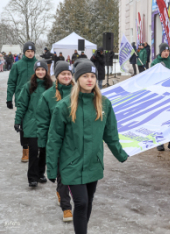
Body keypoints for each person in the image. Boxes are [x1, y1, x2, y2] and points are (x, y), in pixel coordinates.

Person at [46, 59, 128, 234]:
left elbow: (110, 135)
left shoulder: (104, 104)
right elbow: (54, 140)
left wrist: (121, 154)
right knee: (81, 202)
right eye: (85, 76)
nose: (89, 80)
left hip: (93, 162)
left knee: (88, 202)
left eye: (92, 76)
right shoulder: (64, 106)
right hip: (71, 164)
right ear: (77, 79)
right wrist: (52, 169)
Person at [36, 61, 74, 222]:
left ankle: (67, 195)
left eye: (69, 73)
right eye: (63, 74)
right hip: (57, 142)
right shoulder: (47, 96)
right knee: (62, 175)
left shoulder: (79, 93)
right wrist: (43, 144)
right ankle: (66, 207)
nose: (66, 76)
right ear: (57, 76)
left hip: (76, 141)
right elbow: (43, 122)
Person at [14, 60, 53, 187]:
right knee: (34, 150)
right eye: (38, 70)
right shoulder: (28, 86)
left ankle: (41, 173)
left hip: (46, 124)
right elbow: (22, 105)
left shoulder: (51, 86)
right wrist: (18, 120)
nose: (40, 72)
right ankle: (32, 177)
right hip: (31, 122)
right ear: (35, 71)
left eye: (42, 70)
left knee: (44, 150)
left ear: (46, 71)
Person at [7, 42, 37, 162]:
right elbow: (11, 82)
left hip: (37, 100)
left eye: (32, 51)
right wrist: (9, 98)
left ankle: (36, 148)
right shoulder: (17, 65)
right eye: (28, 51)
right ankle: (25, 150)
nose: (30, 53)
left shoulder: (38, 65)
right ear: (24, 52)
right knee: (23, 125)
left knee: (38, 124)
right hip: (22, 100)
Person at [151, 43, 170, 152]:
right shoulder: (155, 63)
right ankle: (160, 142)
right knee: (161, 120)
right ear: (160, 51)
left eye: (167, 51)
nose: (166, 52)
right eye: (164, 51)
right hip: (159, 96)